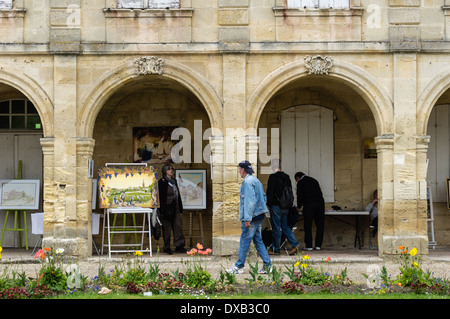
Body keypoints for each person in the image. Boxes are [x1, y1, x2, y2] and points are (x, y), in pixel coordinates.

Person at [227, 160, 272, 274]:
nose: (239, 172)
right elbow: (264, 197)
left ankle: (238, 266)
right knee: (258, 241)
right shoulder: (256, 180)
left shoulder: (247, 182)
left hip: (251, 217)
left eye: (239, 170)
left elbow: (249, 202)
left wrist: (247, 218)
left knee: (244, 240)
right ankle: (267, 265)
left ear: (243, 170)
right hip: (258, 215)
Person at [266, 158, 300, 255]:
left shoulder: (273, 177)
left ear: (273, 167)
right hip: (286, 206)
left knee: (276, 227)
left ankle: (276, 249)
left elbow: (270, 192)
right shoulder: (287, 177)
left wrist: (269, 204)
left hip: (276, 206)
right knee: (285, 226)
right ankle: (295, 243)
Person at [158, 163, 186, 255]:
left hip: (175, 208)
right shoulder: (162, 182)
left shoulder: (174, 181)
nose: (171, 171)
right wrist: (162, 209)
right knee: (167, 228)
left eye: (172, 169)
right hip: (166, 208)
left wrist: (180, 207)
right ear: (165, 171)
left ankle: (179, 245)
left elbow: (177, 195)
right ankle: (167, 247)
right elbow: (161, 196)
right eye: (169, 169)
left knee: (178, 226)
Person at [294, 172, 325, 253]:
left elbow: (299, 195)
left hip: (309, 205)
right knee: (320, 225)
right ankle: (318, 245)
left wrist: (299, 206)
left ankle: (309, 245)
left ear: (298, 178)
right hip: (320, 204)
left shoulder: (301, 182)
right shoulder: (314, 180)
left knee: (308, 225)